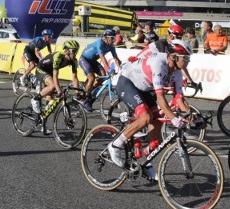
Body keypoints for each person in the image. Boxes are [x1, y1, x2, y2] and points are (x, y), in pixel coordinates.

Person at [107, 40, 193, 181]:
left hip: (143, 88)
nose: (188, 62)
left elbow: (179, 99)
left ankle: (147, 163)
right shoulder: (159, 64)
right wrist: (174, 119)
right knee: (146, 117)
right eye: (186, 58)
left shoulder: (177, 72)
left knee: (158, 121)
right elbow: (160, 98)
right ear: (174, 57)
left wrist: (193, 117)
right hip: (127, 82)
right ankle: (115, 144)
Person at [32, 40, 81, 134]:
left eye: (76, 51)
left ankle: (42, 123)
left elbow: (75, 78)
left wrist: (77, 93)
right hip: (41, 69)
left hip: (49, 72)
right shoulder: (58, 56)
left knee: (50, 102)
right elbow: (55, 77)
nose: (75, 53)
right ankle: (35, 99)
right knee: (54, 86)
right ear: (66, 51)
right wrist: (59, 92)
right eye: (73, 51)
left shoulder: (74, 61)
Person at [79, 29, 122, 111]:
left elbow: (116, 59)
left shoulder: (111, 46)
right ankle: (86, 101)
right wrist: (108, 69)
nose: (113, 40)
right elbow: (102, 57)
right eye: (112, 38)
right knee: (92, 78)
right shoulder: (100, 42)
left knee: (103, 76)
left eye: (114, 38)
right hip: (84, 59)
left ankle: (90, 90)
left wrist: (122, 68)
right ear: (106, 37)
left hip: (92, 61)